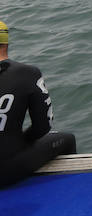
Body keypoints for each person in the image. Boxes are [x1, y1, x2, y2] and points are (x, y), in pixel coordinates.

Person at [0, 20, 76, 187]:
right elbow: (43, 126)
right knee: (68, 139)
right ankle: (69, 196)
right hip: (7, 169)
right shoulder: (28, 73)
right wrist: (21, 141)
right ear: (6, 42)